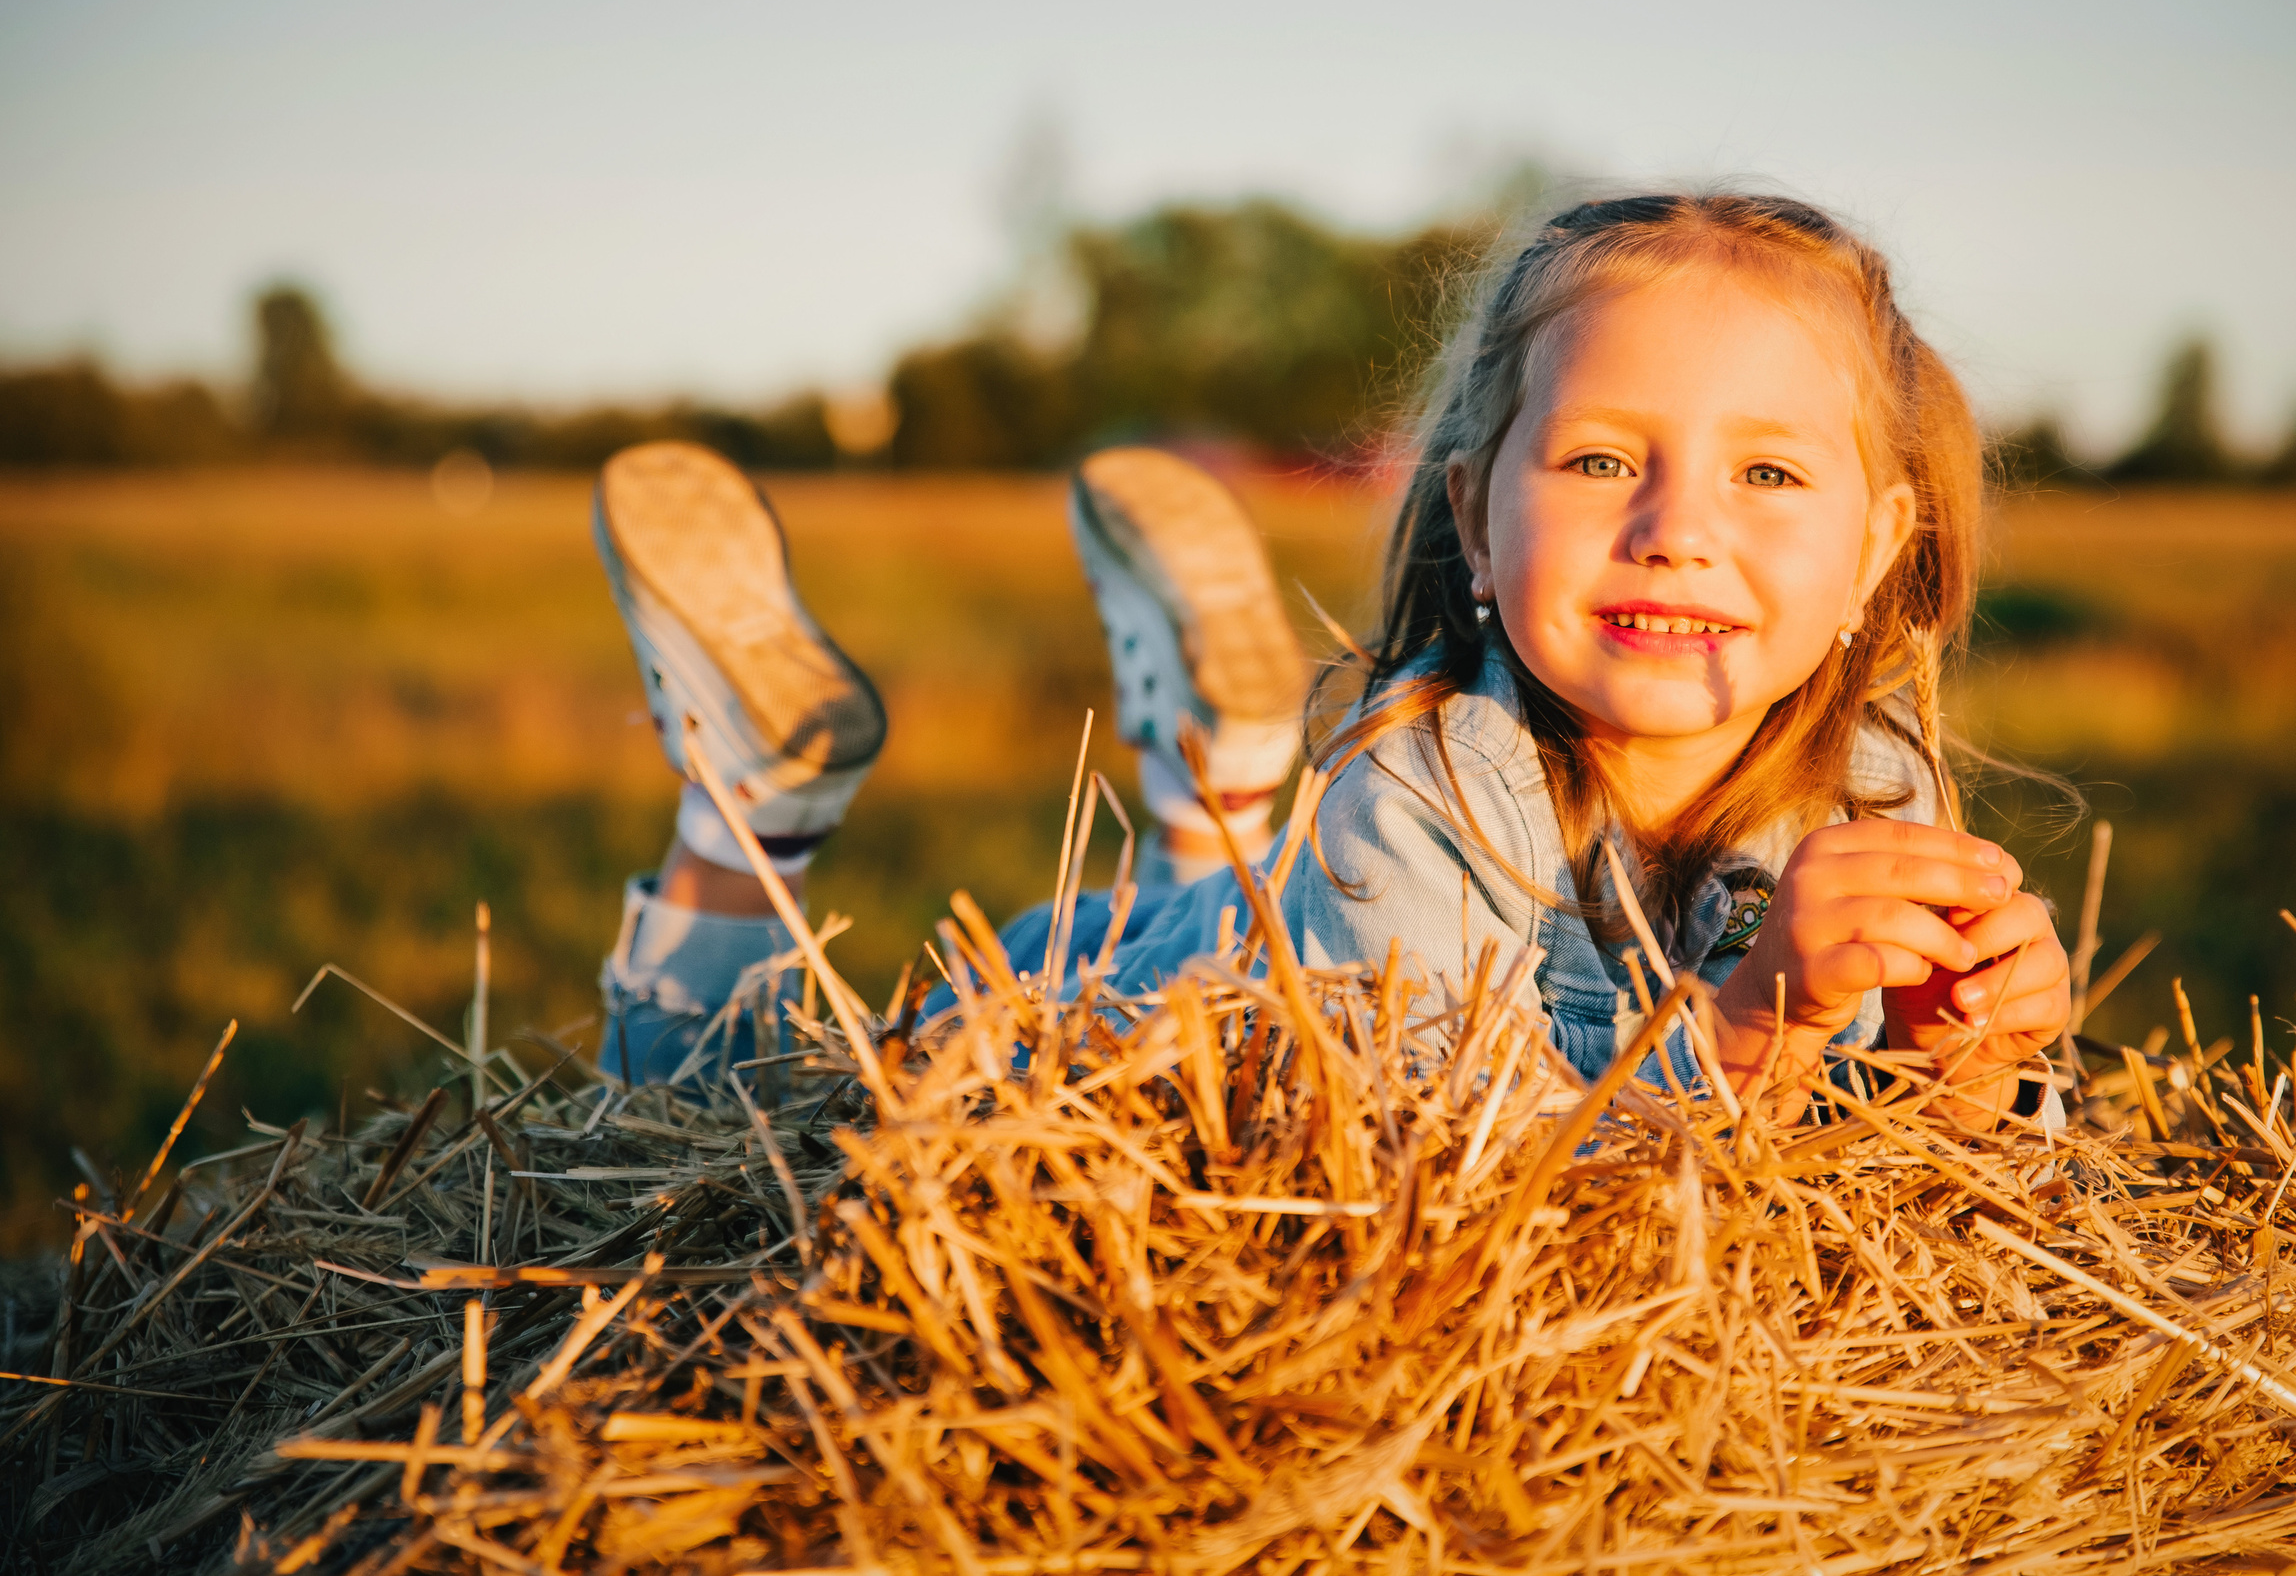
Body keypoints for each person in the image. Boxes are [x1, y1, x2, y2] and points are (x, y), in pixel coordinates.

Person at [594, 190, 2070, 1125]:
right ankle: (749, 795)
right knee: (738, 1115)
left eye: (1769, 477)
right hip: (1115, 1010)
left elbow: (1895, 1172)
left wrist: (1971, 1074)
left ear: (1879, 547)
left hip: (1273, 916)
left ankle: (1218, 782)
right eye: (1604, 458)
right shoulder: (1424, 781)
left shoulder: (1882, 790)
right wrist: (1756, 1026)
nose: (1677, 530)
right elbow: (1463, 1171)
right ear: (1475, 529)